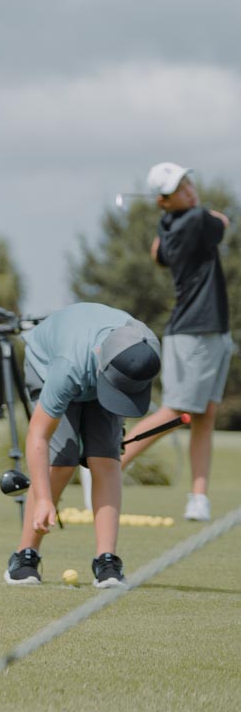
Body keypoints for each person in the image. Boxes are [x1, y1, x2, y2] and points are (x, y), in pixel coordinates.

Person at [5, 303, 161, 589]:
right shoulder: (67, 367)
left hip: (104, 370)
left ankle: (107, 561)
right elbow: (37, 436)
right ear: (100, 358)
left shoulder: (144, 348)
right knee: (62, 460)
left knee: (106, 458)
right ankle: (25, 555)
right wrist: (43, 499)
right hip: (47, 363)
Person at [120, 162, 231, 522]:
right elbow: (223, 221)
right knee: (177, 411)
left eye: (188, 183)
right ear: (165, 199)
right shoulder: (197, 220)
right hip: (195, 331)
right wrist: (186, 211)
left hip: (206, 329)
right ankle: (108, 463)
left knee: (204, 415)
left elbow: (157, 255)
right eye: (181, 189)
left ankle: (198, 497)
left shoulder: (169, 225)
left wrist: (165, 216)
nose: (190, 191)